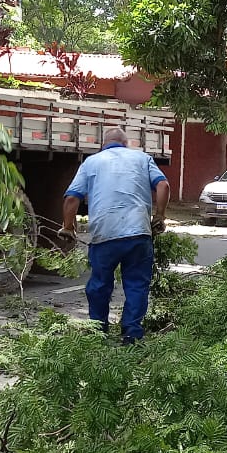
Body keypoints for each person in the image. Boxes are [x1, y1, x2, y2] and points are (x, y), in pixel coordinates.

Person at [61, 127, 169, 344]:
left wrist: (68, 227)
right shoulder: (142, 158)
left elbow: (72, 199)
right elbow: (163, 185)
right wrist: (159, 216)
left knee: (99, 285)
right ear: (125, 143)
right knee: (137, 284)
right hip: (138, 233)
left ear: (104, 144)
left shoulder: (91, 162)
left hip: (104, 234)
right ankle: (131, 335)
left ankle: (98, 332)